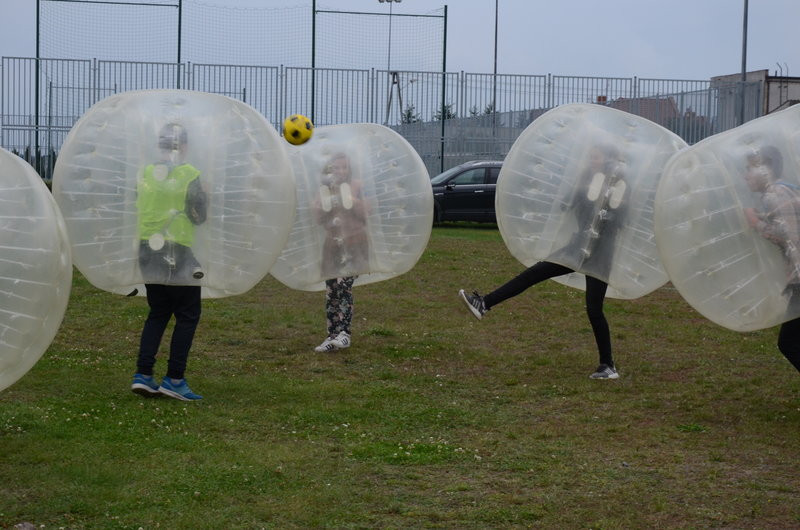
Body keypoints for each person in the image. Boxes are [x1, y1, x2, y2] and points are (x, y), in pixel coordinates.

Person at [459, 144, 628, 379]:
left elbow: (620, 221)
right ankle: (484, 303)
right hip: (577, 247)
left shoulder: (619, 185)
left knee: (594, 308)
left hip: (600, 254)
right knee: (532, 274)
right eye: (589, 156)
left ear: (607, 158)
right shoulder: (588, 180)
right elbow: (568, 207)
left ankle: (608, 366)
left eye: (595, 156)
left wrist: (604, 203)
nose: (590, 159)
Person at [130, 123, 208, 400]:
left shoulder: (147, 173)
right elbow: (200, 216)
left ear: (160, 146)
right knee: (187, 314)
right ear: (184, 147)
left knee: (158, 311)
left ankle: (143, 374)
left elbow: (138, 204)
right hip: (177, 250)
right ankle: (174, 379)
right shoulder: (190, 175)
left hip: (146, 249)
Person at [743, 145, 800, 373]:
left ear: (765, 170)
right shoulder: (786, 190)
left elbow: (790, 236)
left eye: (749, 169)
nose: (744, 175)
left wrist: (756, 224)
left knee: (790, 343)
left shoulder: (774, 193)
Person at [313, 152, 370, 353]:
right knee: (331, 290)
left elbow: (367, 213)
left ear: (349, 169)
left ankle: (344, 333)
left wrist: (352, 200)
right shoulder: (325, 190)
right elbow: (318, 219)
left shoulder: (357, 185)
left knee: (343, 284)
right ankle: (332, 335)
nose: (340, 171)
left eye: (344, 167)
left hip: (354, 244)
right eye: (335, 168)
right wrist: (320, 207)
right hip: (333, 247)